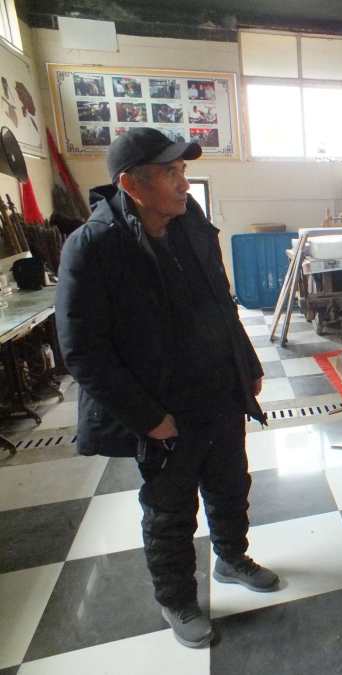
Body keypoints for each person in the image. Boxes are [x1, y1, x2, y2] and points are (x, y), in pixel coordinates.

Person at [56, 127, 278, 649]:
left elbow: (221, 301)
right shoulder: (93, 246)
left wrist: (245, 362)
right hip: (162, 408)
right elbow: (82, 351)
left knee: (230, 484)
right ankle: (177, 598)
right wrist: (146, 417)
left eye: (183, 171)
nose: (184, 183)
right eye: (171, 173)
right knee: (170, 510)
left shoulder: (190, 222)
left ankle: (232, 557)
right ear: (132, 184)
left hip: (217, 391)